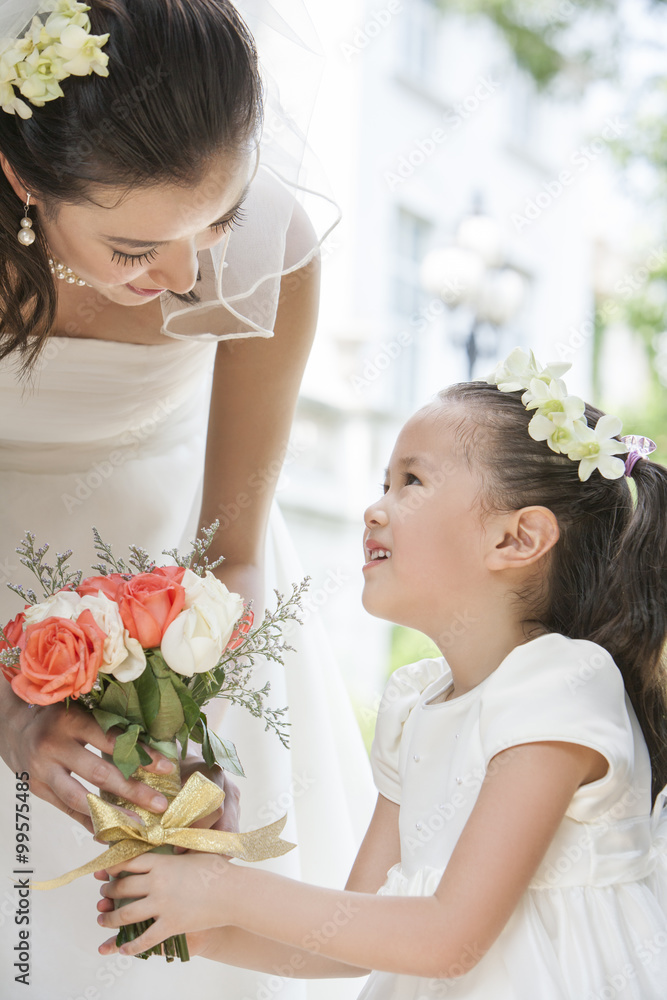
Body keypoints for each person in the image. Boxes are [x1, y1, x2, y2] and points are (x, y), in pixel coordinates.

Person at [0, 2, 373, 999]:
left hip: (172, 581)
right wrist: (11, 707)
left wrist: (194, 702)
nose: (191, 270)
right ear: (24, 181)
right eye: (133, 250)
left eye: (218, 216)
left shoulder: (273, 247)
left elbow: (234, 546)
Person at [96, 348, 667, 998]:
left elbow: (448, 937)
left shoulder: (559, 684)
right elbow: (352, 937)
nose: (374, 508)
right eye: (382, 483)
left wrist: (225, 887)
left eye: (411, 483)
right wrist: (204, 927)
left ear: (516, 539)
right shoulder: (414, 709)